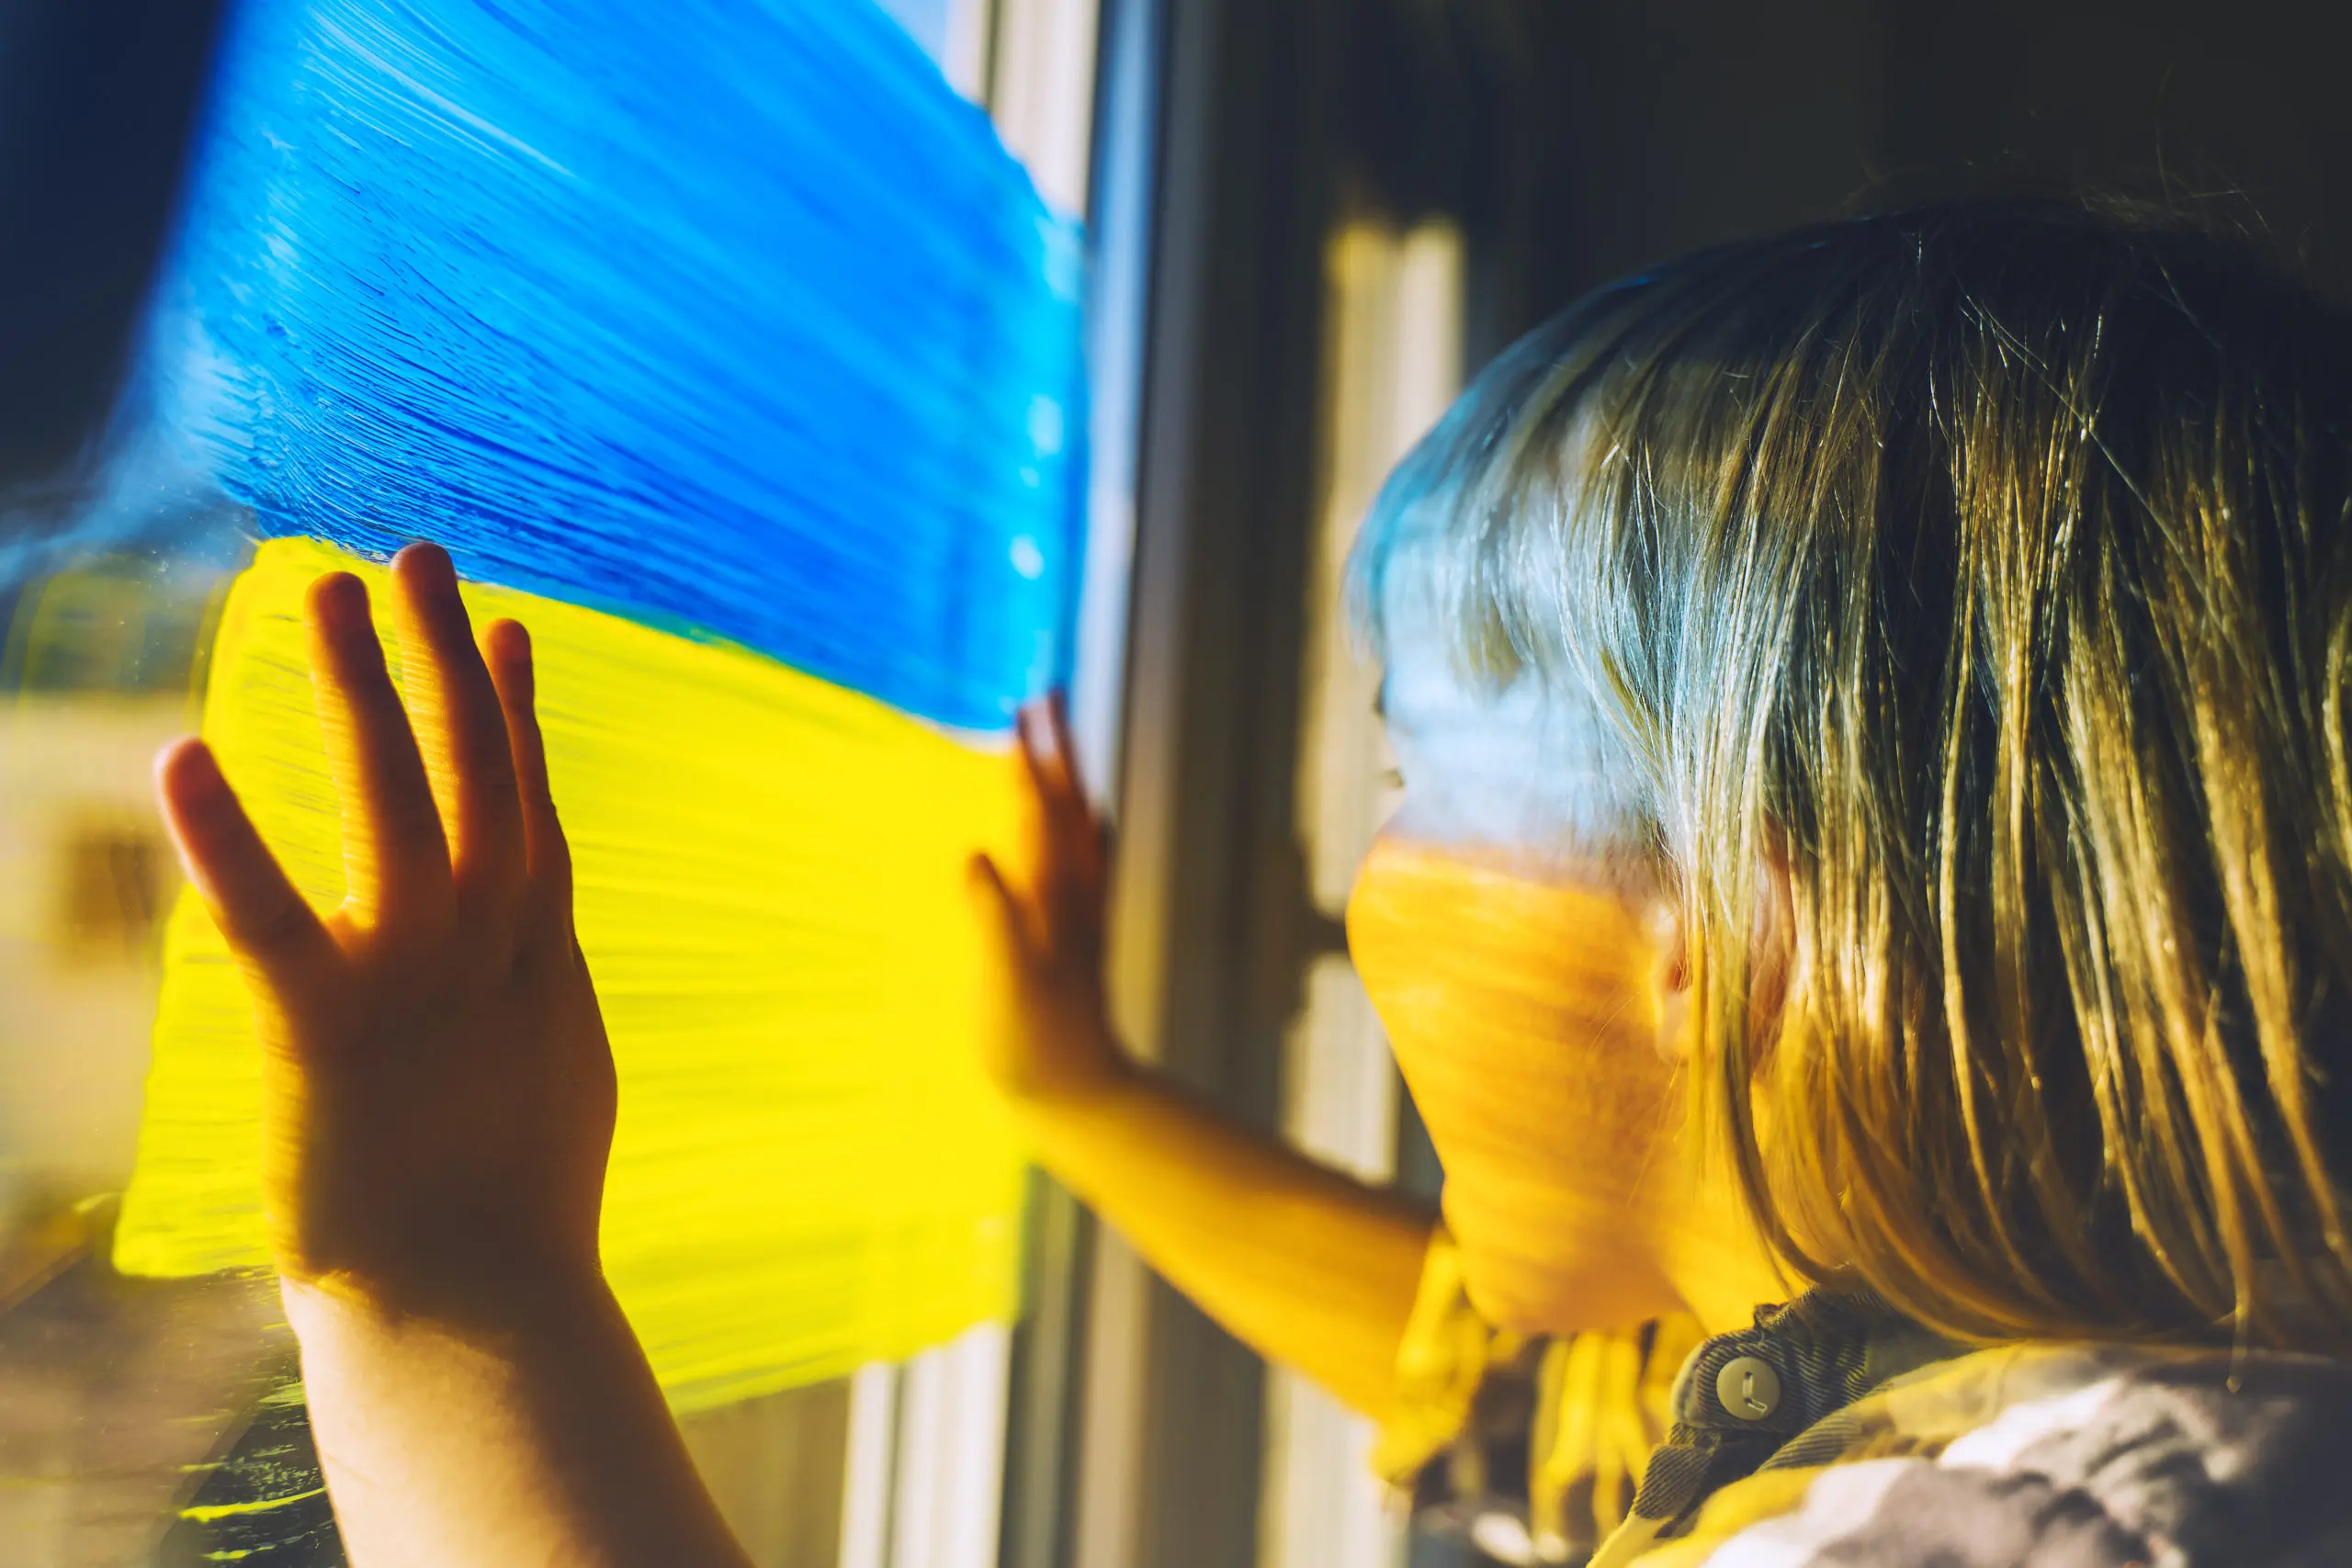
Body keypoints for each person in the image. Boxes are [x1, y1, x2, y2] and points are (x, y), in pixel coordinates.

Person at [156, 198, 2352, 1568]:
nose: (1365, 882)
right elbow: (1496, 1398)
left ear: (1729, 914)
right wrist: (1077, 1092)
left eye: (1411, 772)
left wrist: (453, 1291)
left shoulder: (1978, 1539)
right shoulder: (2032, 1386)